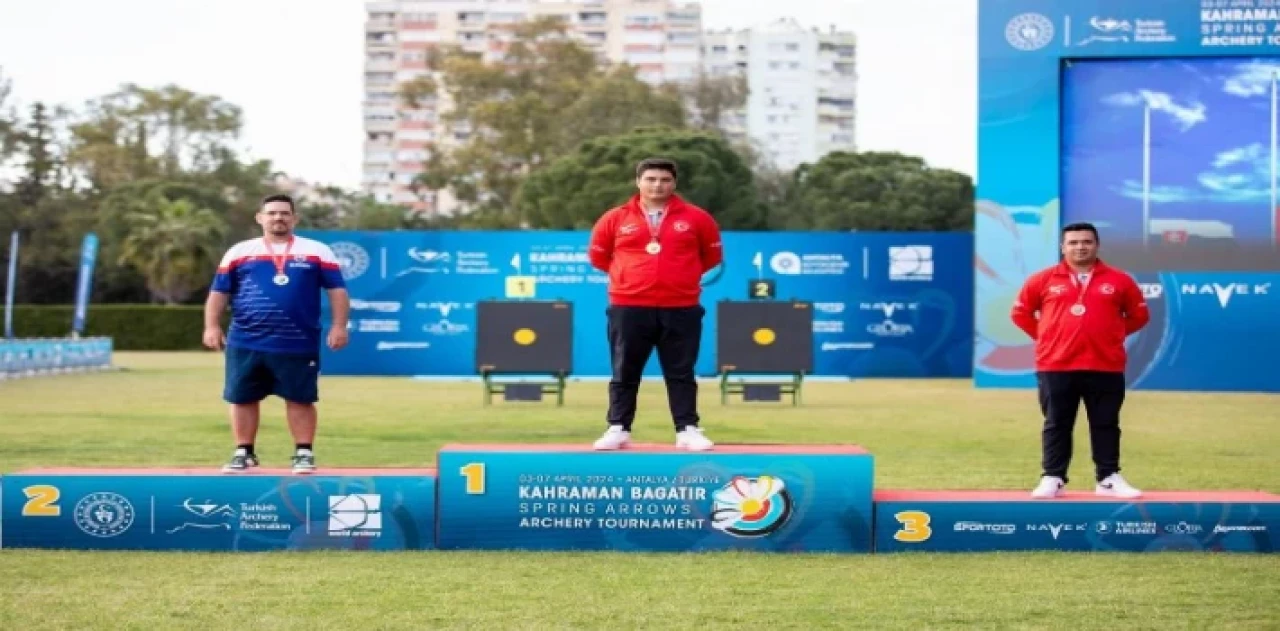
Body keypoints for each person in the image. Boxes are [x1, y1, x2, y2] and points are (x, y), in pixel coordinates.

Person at [203, 194, 350, 474]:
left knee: (300, 398)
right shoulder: (239, 251)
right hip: (245, 339)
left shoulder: (317, 251)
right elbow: (219, 292)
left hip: (297, 340)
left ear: (294, 218)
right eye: (271, 213)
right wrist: (211, 325)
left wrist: (339, 326)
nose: (278, 218)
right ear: (260, 218)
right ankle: (243, 452)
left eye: (284, 213)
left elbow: (337, 291)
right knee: (242, 397)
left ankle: (303, 453)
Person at [587, 158, 723, 451]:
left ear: (674, 183)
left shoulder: (697, 218)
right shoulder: (615, 218)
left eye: (664, 180)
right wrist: (631, 278)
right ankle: (618, 428)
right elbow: (599, 258)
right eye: (650, 179)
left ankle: (687, 429)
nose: (657, 185)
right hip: (628, 305)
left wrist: (679, 279)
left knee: (681, 371)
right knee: (625, 370)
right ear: (638, 182)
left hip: (681, 305)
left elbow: (711, 258)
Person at [1011, 222, 1150, 499]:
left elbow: (1139, 316)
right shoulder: (1042, 279)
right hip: (1056, 364)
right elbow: (1021, 314)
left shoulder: (1120, 280)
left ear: (1096, 245)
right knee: (1056, 423)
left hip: (1105, 364)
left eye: (1086, 241)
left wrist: (1111, 335)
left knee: (1106, 423)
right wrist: (1049, 336)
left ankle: (1108, 478)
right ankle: (1053, 477)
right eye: (1073, 242)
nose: (1080, 247)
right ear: (1063, 247)